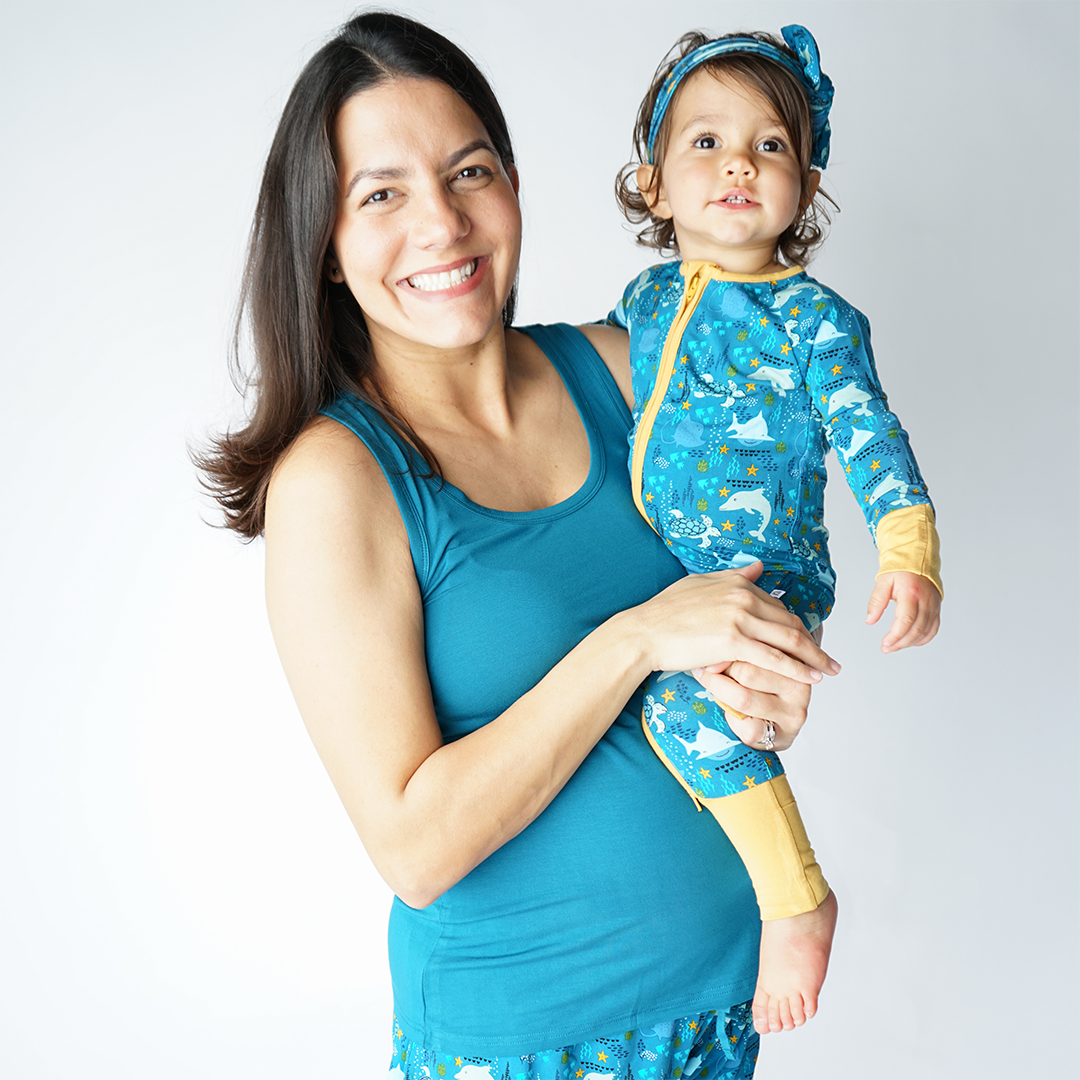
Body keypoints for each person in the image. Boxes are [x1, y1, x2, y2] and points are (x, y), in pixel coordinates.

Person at [198, 12, 841, 1079]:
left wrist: (768, 677)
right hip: (527, 1043)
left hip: (728, 1009)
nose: (443, 225)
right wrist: (636, 638)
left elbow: (751, 577)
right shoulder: (339, 481)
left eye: (471, 171)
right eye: (383, 194)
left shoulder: (631, 368)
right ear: (323, 245)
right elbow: (415, 849)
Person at [607, 25, 942, 1035]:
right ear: (655, 184)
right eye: (704, 142)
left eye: (772, 145)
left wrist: (908, 548)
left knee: (692, 718)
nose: (739, 163)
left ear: (806, 185)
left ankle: (797, 900)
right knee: (656, 715)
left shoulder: (816, 320)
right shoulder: (646, 298)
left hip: (763, 573)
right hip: (667, 574)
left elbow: (871, 435)